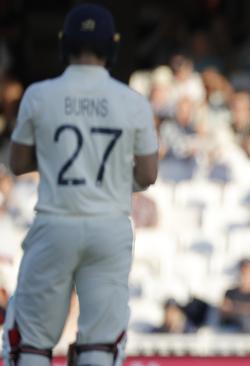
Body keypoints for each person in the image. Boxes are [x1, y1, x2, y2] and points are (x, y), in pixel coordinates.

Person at [2, 4, 158, 366]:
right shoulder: (132, 101)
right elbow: (148, 174)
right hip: (110, 226)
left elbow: (18, 163)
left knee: (31, 345)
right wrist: (113, 181)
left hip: (56, 222)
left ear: (65, 45)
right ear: (112, 47)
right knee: (100, 347)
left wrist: (60, 161)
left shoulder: (39, 95)